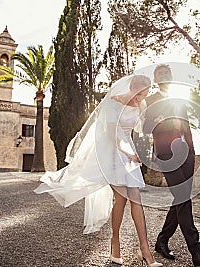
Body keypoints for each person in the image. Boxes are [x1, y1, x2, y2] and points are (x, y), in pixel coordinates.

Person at [34, 75, 162, 267]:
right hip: (111, 152)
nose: (140, 98)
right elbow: (112, 136)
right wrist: (127, 153)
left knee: (135, 197)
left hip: (128, 151)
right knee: (121, 198)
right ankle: (115, 242)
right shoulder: (112, 104)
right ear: (130, 86)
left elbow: (139, 128)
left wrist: (155, 123)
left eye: (144, 95)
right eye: (138, 93)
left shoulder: (140, 105)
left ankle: (145, 250)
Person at [143, 64, 200, 266]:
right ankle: (197, 251)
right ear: (155, 79)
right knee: (183, 198)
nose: (164, 76)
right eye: (160, 74)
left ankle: (162, 240)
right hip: (166, 153)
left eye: (167, 73)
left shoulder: (179, 99)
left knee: (181, 199)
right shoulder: (150, 100)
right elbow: (145, 126)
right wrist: (160, 121)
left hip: (186, 153)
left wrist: (192, 151)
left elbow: (185, 126)